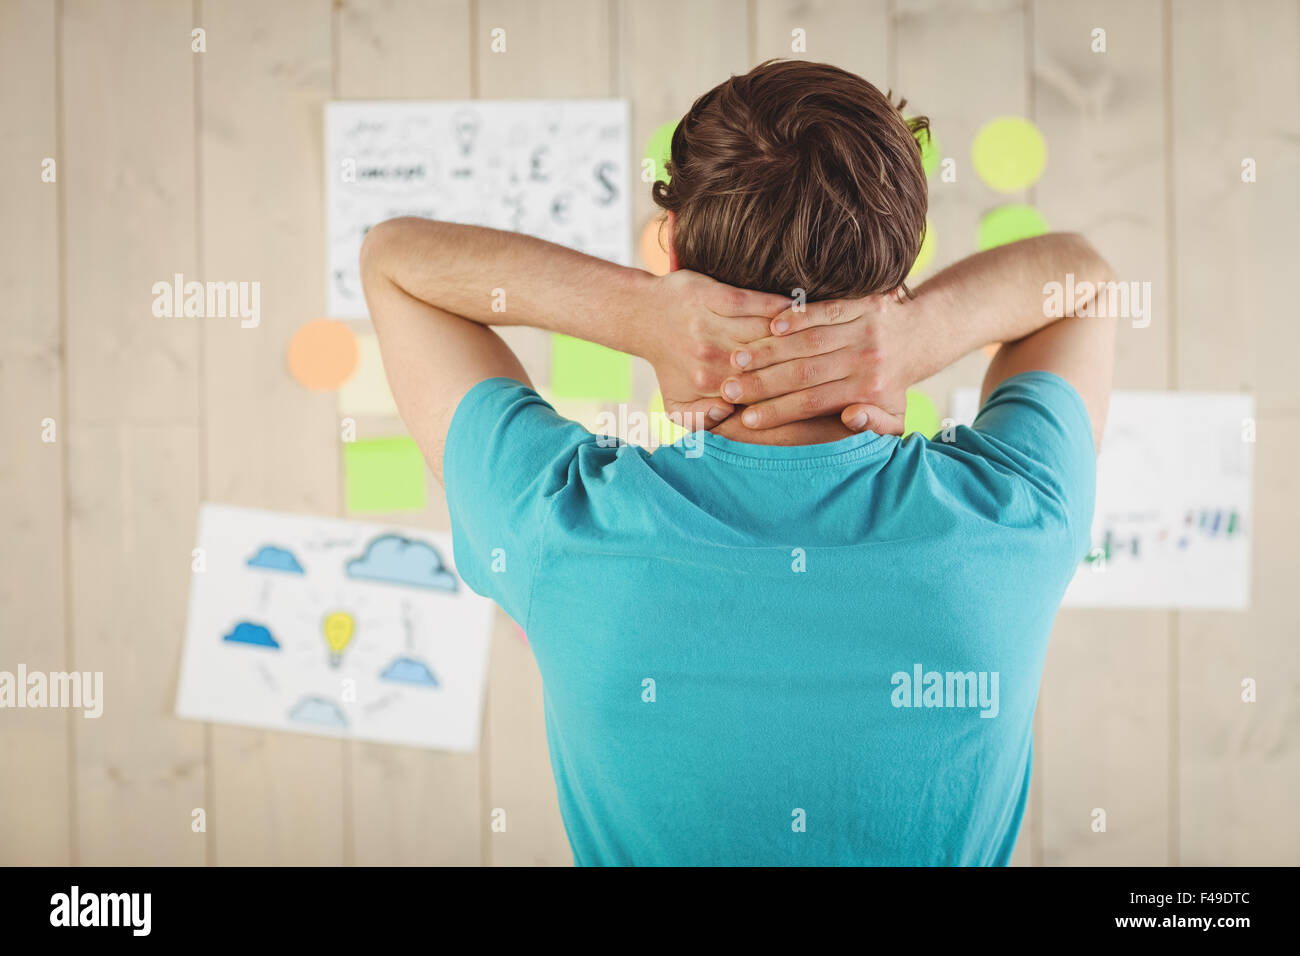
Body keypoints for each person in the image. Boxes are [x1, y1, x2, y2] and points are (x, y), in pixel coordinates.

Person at [359, 59, 1116, 865]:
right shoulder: (1014, 515)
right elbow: (1085, 280)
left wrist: (637, 313)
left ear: (674, 248)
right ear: (901, 270)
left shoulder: (559, 526)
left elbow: (396, 262)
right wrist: (920, 334)